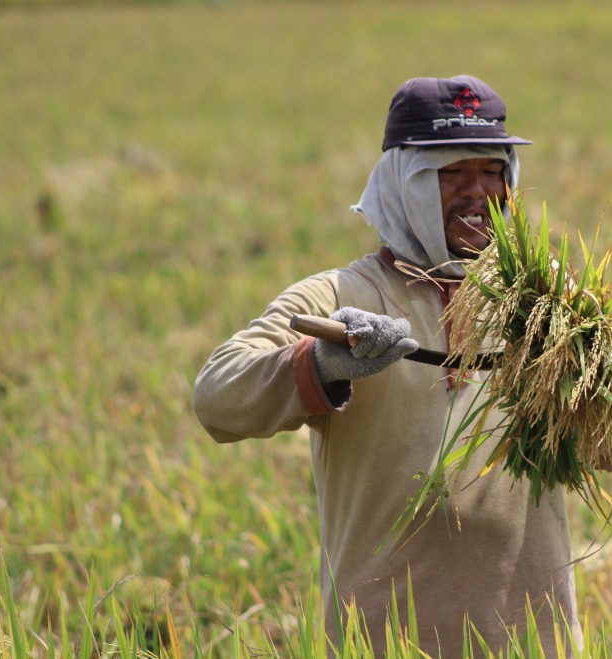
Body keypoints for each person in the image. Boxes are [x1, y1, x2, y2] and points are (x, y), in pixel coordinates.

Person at [193, 75, 581, 656]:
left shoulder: (546, 300)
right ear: (403, 181)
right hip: (383, 638)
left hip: (532, 638)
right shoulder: (338, 295)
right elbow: (216, 397)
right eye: (452, 172)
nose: (478, 191)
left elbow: (606, 448)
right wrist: (322, 364)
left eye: (491, 170)